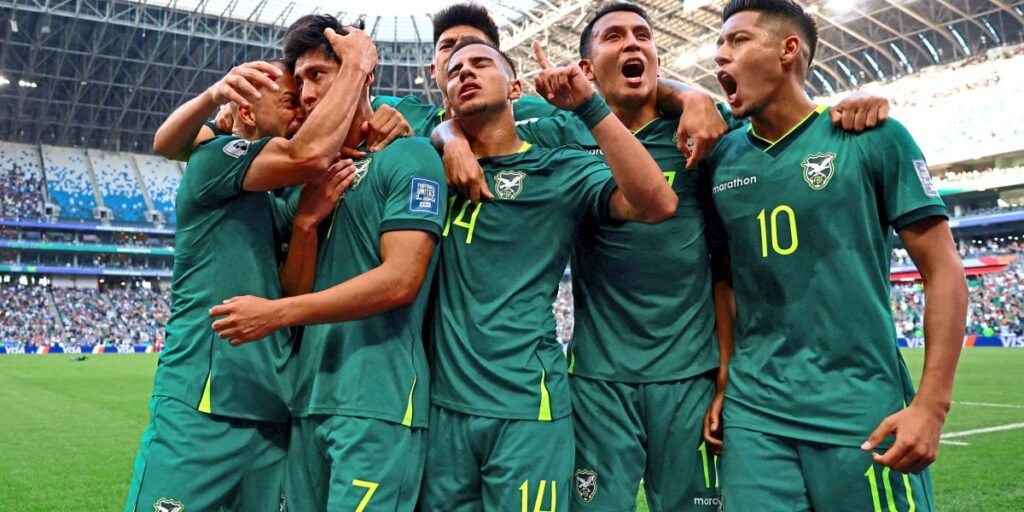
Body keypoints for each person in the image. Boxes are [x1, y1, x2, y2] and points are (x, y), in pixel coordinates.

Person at [704, 1, 967, 510]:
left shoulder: (873, 136)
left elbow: (942, 269)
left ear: (788, 50)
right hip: (755, 413)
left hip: (859, 408)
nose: (720, 56)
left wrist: (932, 406)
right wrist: (725, 378)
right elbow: (725, 281)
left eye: (738, 40)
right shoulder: (720, 160)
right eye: (719, 44)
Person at [420, 36, 677, 511]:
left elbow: (657, 202)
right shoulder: (427, 167)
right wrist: (448, 137)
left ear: (515, 88)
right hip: (441, 409)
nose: (466, 72)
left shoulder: (558, 169)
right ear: (447, 99)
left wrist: (590, 107)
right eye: (454, 71)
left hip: (525, 405)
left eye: (481, 63)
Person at [124, 28, 377, 512]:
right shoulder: (214, 158)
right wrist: (356, 65)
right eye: (289, 102)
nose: (301, 111)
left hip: (272, 408)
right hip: (202, 402)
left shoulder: (283, 197)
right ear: (245, 111)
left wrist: (305, 225)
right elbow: (308, 154)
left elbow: (292, 292)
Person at [207, 14, 448, 512]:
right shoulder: (303, 182)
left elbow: (401, 280)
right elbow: (297, 291)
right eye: (300, 82)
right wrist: (304, 226)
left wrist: (275, 314)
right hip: (308, 401)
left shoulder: (410, 156)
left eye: (318, 74)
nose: (308, 93)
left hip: (379, 403)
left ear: (362, 73)